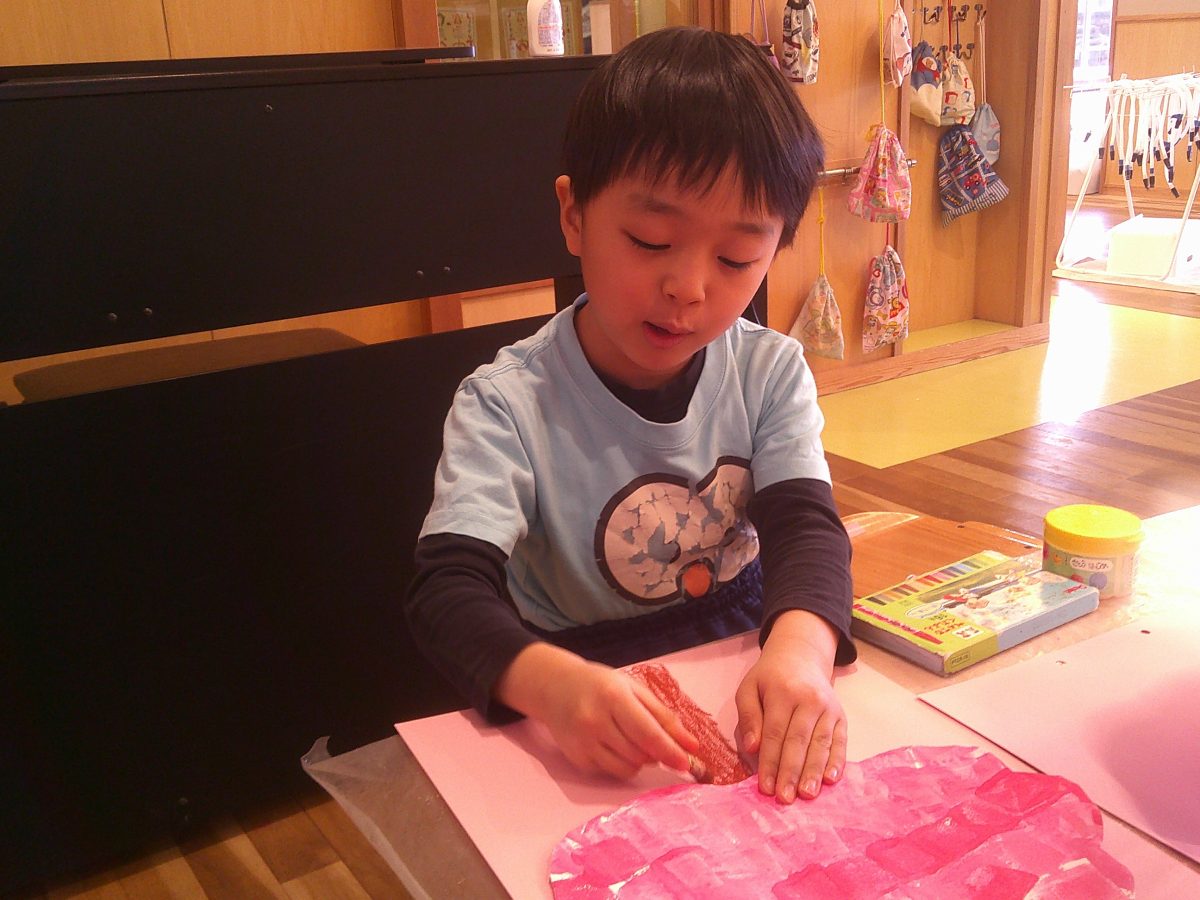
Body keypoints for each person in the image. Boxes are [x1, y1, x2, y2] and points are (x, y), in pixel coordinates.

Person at [405, 25, 856, 805]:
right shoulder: (506, 403)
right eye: (650, 240)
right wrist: (550, 687)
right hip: (583, 691)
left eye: (735, 258)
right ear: (574, 215)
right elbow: (445, 593)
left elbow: (808, 531)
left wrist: (801, 651)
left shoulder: (770, 371)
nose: (688, 287)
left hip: (743, 656)